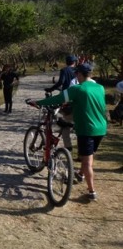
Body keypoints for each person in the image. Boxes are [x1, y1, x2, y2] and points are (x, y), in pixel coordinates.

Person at [30, 63, 107, 201]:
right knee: (87, 155)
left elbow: (57, 98)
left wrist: (39, 102)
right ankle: (80, 175)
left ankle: (91, 192)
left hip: (86, 128)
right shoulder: (100, 88)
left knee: (88, 162)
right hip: (101, 127)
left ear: (79, 74)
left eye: (76, 74)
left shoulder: (77, 88)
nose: (76, 76)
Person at [46, 55, 78, 153]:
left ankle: (68, 147)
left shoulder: (64, 70)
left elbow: (61, 82)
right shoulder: (78, 70)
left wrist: (50, 89)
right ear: (74, 62)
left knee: (62, 120)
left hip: (66, 97)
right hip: (76, 97)